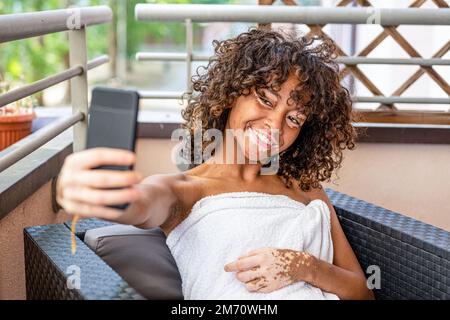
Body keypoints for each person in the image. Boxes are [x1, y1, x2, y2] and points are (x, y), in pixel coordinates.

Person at [56, 28, 374, 300]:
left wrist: (302, 265)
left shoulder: (305, 190)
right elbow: (139, 203)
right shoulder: (186, 191)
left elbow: (362, 291)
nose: (275, 127)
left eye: (293, 118)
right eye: (266, 99)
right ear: (231, 95)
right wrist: (96, 191)